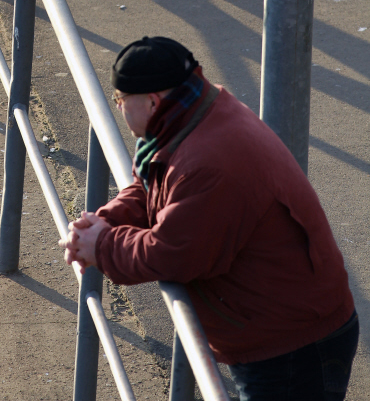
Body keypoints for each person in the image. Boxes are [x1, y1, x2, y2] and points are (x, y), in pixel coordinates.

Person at [59, 36, 358, 401]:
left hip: (291, 348)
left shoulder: (208, 161)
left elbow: (174, 253)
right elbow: (155, 185)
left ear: (152, 102)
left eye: (119, 100)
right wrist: (101, 222)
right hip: (279, 329)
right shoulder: (197, 112)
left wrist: (102, 245)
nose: (118, 109)